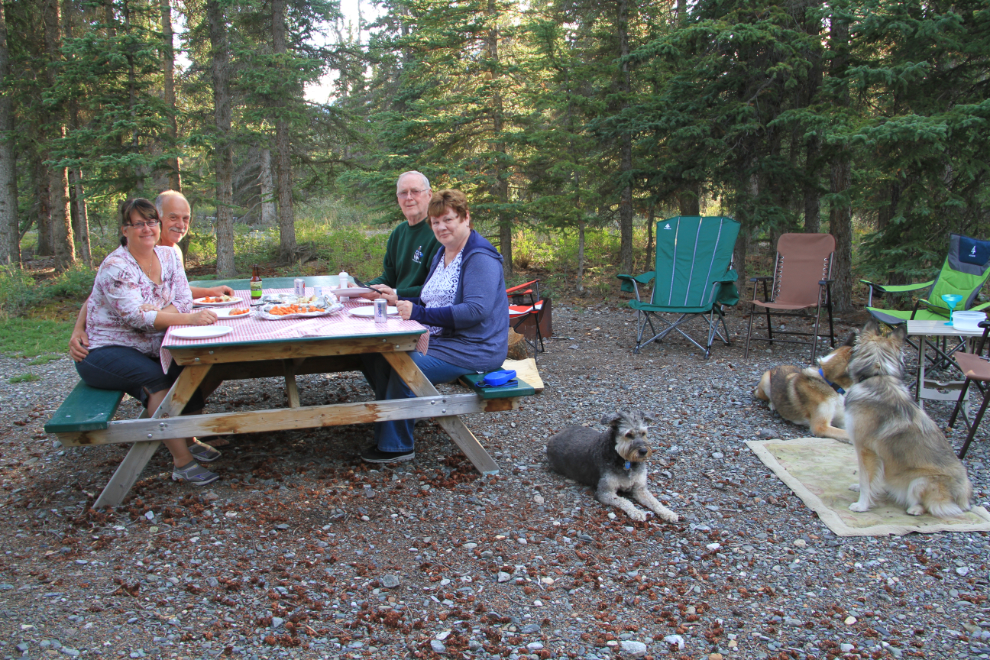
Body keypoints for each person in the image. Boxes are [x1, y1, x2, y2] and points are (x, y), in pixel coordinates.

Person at [73, 198, 222, 485]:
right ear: (125, 230)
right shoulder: (116, 267)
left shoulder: (167, 256)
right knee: (157, 381)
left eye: (151, 222)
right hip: (104, 350)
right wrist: (185, 319)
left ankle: (187, 437)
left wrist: (157, 313)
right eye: (138, 223)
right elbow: (134, 318)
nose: (146, 229)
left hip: (151, 344)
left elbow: (183, 298)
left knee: (188, 366)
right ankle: (182, 461)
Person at [360, 189, 509, 463]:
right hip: (443, 340)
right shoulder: (443, 253)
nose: (441, 227)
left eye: (448, 220)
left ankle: (397, 446)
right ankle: (402, 415)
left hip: (475, 348)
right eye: (435, 222)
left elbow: (475, 311)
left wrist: (418, 313)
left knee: (404, 367)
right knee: (374, 355)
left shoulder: (479, 258)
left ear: (466, 218)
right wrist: (398, 297)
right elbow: (430, 297)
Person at [69, 190, 233, 361]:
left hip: (155, 340)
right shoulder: (126, 257)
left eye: (185, 218)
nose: (181, 224)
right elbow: (99, 296)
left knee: (204, 362)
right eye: (173, 217)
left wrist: (158, 313)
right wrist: (79, 328)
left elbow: (179, 295)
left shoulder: (170, 252)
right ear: (160, 218)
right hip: (120, 347)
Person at [364, 171, 442, 298]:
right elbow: (389, 279)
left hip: (423, 311)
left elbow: (436, 290)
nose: (409, 197)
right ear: (398, 198)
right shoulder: (398, 233)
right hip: (397, 305)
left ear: (429, 195)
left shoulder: (440, 233)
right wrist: (361, 289)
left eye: (415, 191)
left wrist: (396, 294)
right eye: (403, 193)